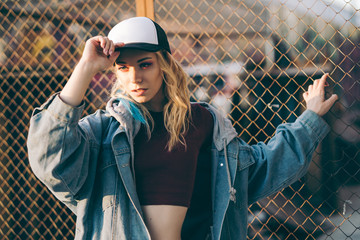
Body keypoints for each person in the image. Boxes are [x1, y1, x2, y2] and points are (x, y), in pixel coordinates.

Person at [27, 17, 338, 240]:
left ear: (164, 64)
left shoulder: (203, 123)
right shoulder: (103, 130)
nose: (135, 77)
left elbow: (257, 169)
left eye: (145, 64)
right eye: (124, 67)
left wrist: (309, 119)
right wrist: (85, 67)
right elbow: (51, 160)